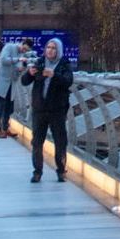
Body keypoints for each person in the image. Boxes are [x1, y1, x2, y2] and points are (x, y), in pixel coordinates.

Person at [21, 36, 73, 183]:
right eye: (48, 48)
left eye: (53, 48)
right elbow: (24, 82)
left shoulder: (64, 64)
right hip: (39, 109)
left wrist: (53, 75)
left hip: (57, 109)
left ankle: (61, 170)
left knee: (60, 141)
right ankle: (37, 171)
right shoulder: (40, 62)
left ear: (58, 50)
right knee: (37, 142)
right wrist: (29, 73)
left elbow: (68, 81)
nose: (50, 51)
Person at [0, 38, 26, 137]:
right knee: (0, 106)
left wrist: (20, 71)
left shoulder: (22, 55)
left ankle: (5, 128)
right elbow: (4, 60)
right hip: (2, 82)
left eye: (26, 51)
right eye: (24, 48)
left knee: (9, 107)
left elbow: (16, 76)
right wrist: (17, 60)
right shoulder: (9, 47)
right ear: (21, 44)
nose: (23, 51)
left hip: (11, 84)